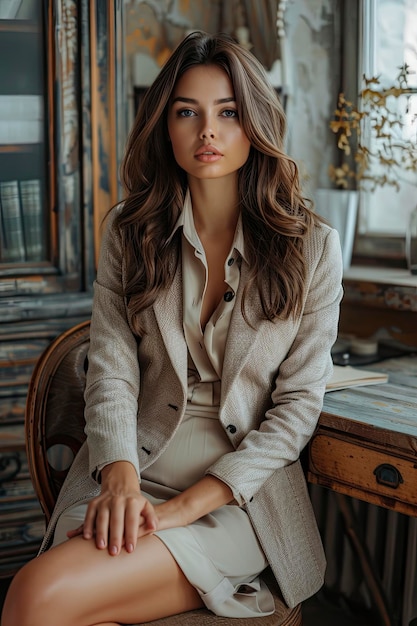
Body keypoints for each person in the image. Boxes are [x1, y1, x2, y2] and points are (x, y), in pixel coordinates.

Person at [2, 30, 343, 626]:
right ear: (165, 125)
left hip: (237, 498)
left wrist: (188, 507)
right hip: (130, 472)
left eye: (228, 112)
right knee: (46, 601)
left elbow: (295, 412)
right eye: (187, 112)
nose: (207, 131)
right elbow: (110, 372)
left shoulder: (311, 248)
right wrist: (119, 478)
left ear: (254, 122)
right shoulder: (131, 236)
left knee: (39, 601)